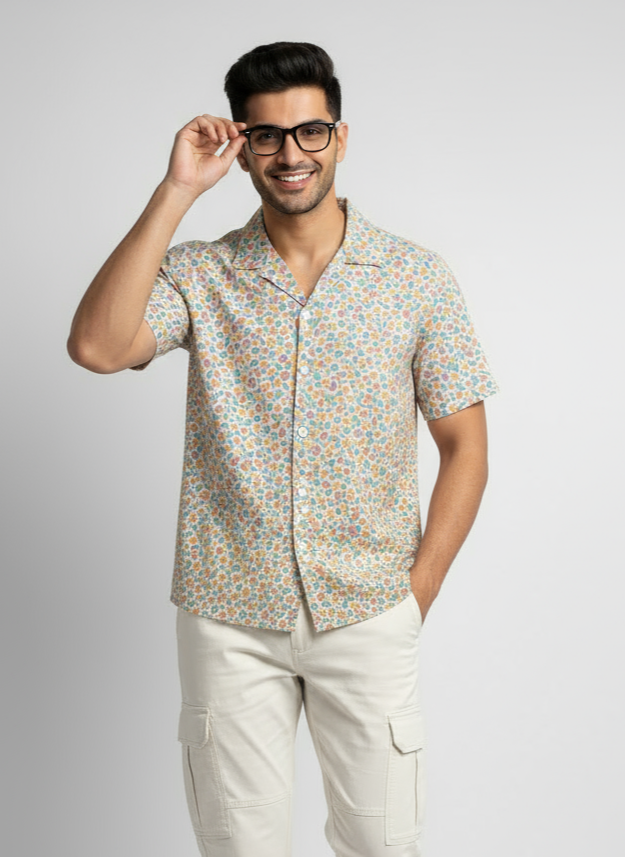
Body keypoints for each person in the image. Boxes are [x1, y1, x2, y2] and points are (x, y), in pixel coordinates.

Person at [67, 41, 498, 857]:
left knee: (383, 847)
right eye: (266, 137)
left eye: (309, 132)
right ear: (242, 147)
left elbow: (464, 445)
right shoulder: (204, 274)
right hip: (227, 615)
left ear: (340, 137)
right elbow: (96, 345)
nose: (290, 154)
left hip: (368, 608)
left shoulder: (414, 278)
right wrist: (176, 190)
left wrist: (417, 594)